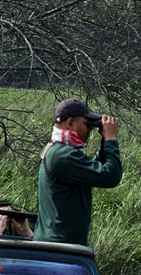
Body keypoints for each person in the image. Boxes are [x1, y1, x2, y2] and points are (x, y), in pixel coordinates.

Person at [33, 98, 121, 246]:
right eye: (86, 123)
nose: (89, 128)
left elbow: (93, 170)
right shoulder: (63, 155)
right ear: (70, 123)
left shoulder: (56, 149)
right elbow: (111, 176)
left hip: (54, 244)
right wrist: (111, 139)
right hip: (59, 248)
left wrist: (104, 141)